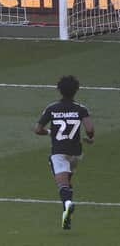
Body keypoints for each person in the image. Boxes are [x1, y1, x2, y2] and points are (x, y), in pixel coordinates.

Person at [34, 75, 94, 230]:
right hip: (76, 153)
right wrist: (89, 138)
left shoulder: (52, 108)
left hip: (59, 152)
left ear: (59, 90)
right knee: (68, 181)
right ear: (76, 90)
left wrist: (50, 132)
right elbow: (89, 130)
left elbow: (38, 130)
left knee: (61, 183)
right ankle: (66, 214)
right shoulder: (81, 109)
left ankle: (67, 204)